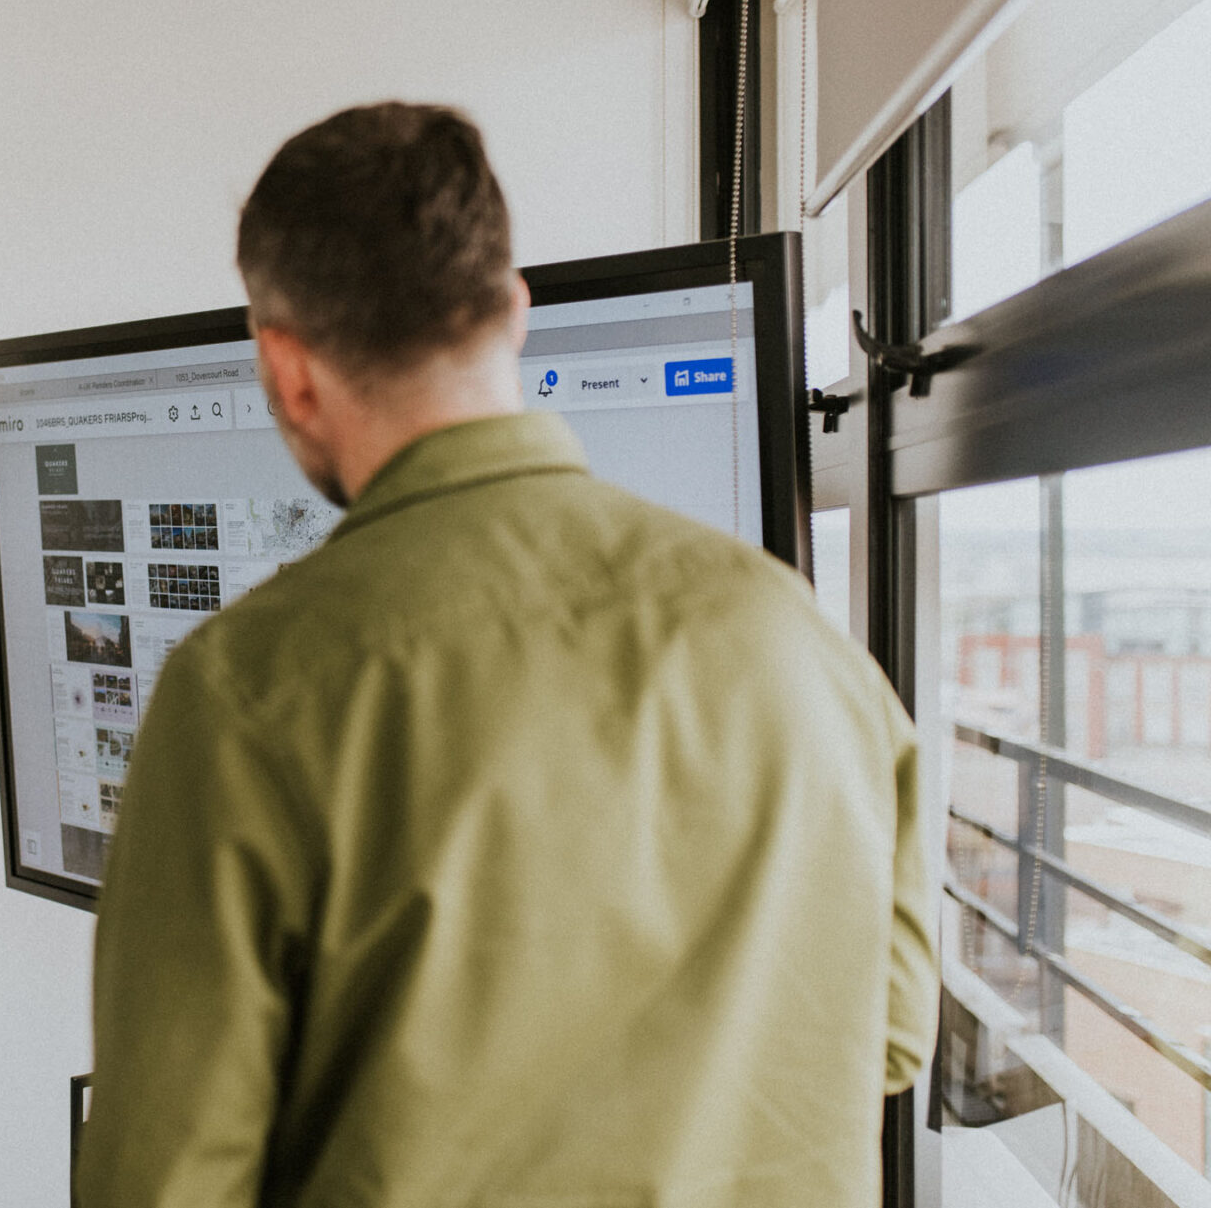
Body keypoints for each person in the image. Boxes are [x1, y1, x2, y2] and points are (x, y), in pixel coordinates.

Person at [77, 103, 937, 1208]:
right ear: (514, 313)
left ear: (289, 370)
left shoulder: (248, 691)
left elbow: (164, 1183)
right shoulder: (797, 636)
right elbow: (893, 1032)